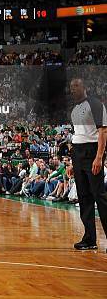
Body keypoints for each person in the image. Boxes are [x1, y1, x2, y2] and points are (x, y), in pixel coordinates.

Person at [70, 78, 107, 251]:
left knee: (100, 196)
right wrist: (73, 161)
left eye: (76, 86)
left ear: (85, 87)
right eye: (71, 87)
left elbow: (103, 131)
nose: (73, 89)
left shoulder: (96, 104)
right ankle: (90, 238)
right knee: (84, 197)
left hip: (92, 152)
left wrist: (99, 157)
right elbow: (78, 133)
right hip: (77, 153)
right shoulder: (75, 109)